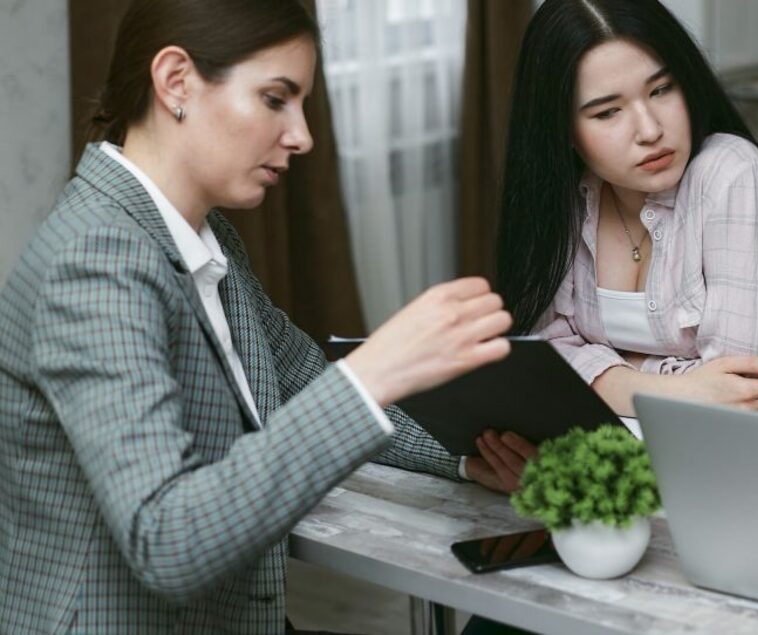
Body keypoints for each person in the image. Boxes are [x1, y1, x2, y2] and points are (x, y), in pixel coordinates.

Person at [0, 0, 514, 631]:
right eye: (276, 99)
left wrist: (466, 456)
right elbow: (168, 539)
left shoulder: (202, 236)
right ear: (175, 81)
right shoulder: (97, 261)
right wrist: (374, 374)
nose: (302, 136)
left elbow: (301, 375)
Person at [492, 0, 758, 433]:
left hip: (748, 464)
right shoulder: (564, 195)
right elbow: (540, 357)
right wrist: (682, 386)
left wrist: (609, 374)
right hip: (611, 458)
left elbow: (742, 393)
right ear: (563, 130)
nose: (650, 130)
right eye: (607, 112)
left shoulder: (733, 173)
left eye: (661, 90)